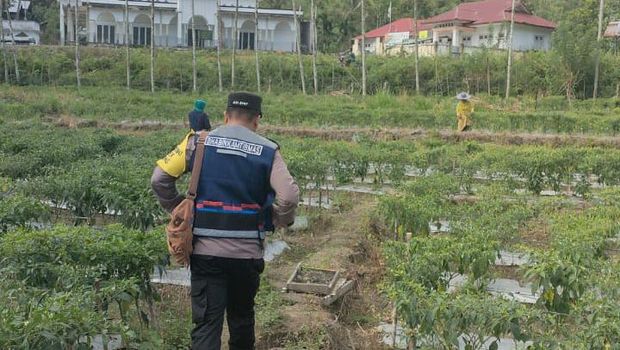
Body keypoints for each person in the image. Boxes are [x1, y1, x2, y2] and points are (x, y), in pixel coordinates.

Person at [151, 92, 299, 350]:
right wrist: (276, 219)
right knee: (242, 321)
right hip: (246, 255)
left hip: (206, 254)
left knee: (207, 325)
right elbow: (288, 196)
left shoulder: (196, 142)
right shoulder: (267, 150)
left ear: (225, 116)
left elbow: (159, 179)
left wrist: (178, 209)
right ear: (257, 120)